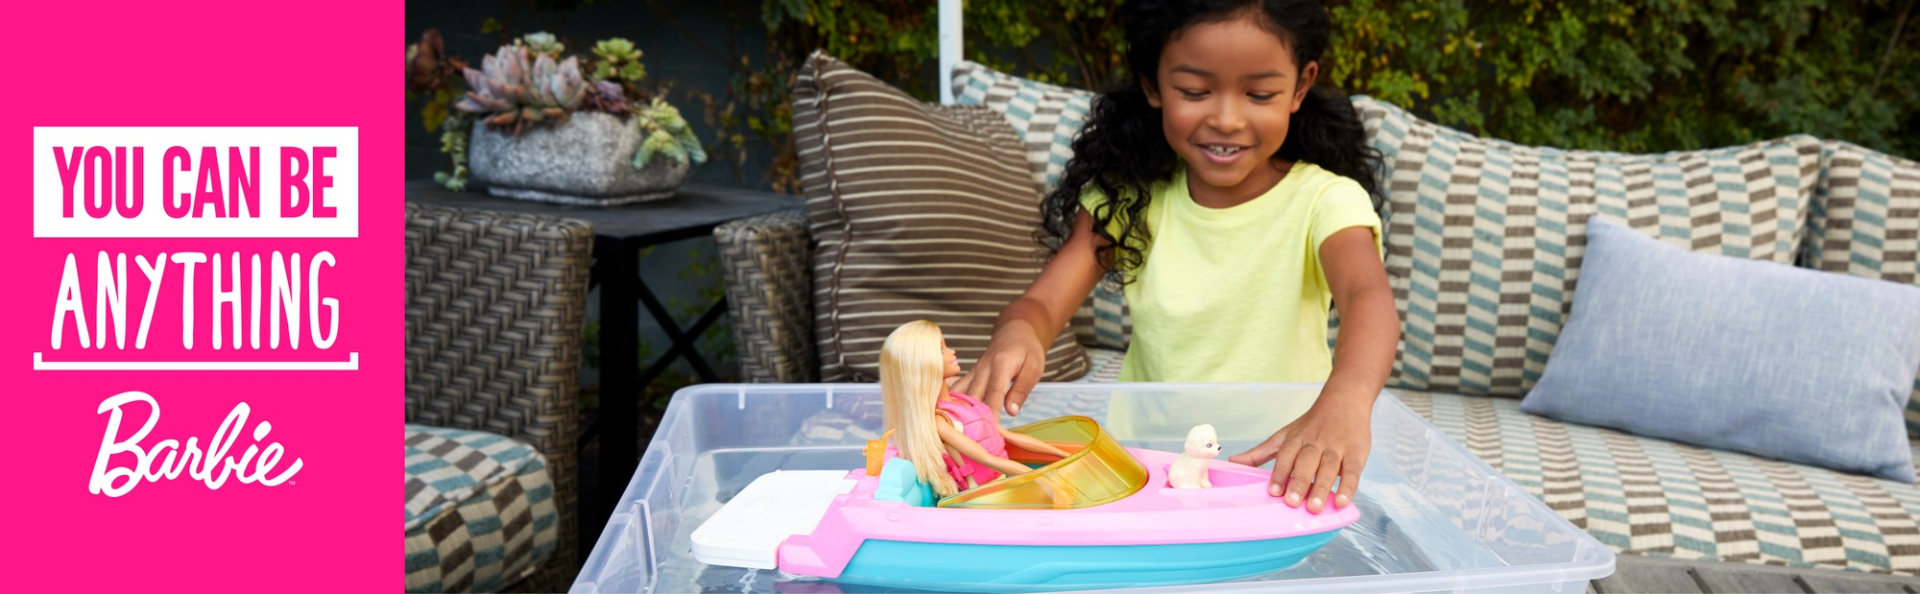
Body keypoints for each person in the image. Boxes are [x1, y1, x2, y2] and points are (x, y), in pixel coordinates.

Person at [957, 0, 1399, 515]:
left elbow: (1369, 301)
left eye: (1259, 94)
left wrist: (1344, 404)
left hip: (1280, 472)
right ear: (1153, 84)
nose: (1227, 119)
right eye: (1194, 92)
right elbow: (1042, 306)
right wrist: (1019, 334)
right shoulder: (1129, 198)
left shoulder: (1326, 201)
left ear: (1300, 87)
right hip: (1141, 471)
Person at [882, 320, 1072, 498]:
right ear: (923, 364)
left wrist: (1062, 455)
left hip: (1005, 480)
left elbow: (1008, 436)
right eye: (941, 350)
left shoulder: (962, 402)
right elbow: (988, 460)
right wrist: (1047, 481)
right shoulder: (941, 421)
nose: (952, 352)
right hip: (986, 495)